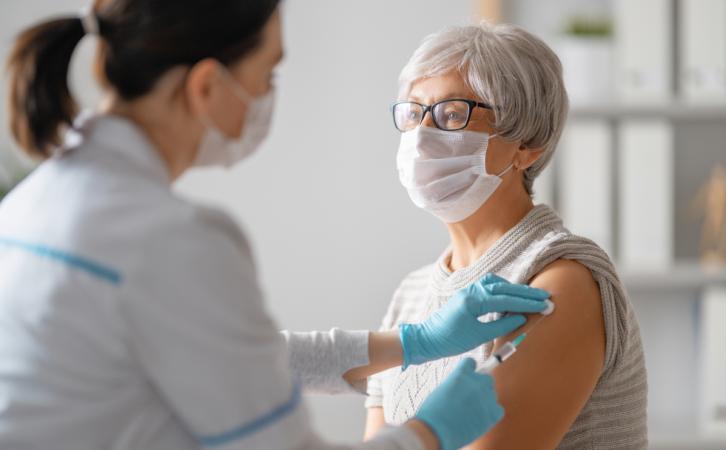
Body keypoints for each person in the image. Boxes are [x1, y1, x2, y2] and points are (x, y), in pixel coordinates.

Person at [0, 3, 552, 450]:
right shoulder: (172, 240)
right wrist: (429, 434)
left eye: (452, 113)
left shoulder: (32, 203)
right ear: (207, 87)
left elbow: (241, 355)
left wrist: (416, 343)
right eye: (266, 75)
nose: (268, 98)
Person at [364, 23, 648, 449]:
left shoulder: (559, 280)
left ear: (527, 144)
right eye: (413, 112)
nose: (422, 135)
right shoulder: (410, 296)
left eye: (452, 114)